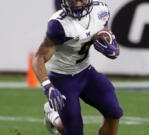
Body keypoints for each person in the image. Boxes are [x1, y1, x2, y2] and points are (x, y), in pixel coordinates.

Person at [33, 0, 123, 135]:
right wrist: (48, 85)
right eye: (72, 0)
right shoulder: (59, 24)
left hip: (86, 72)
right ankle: (53, 116)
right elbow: (39, 59)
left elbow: (104, 31)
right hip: (62, 78)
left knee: (114, 112)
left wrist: (110, 45)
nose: (77, 3)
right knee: (73, 131)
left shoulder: (100, 10)